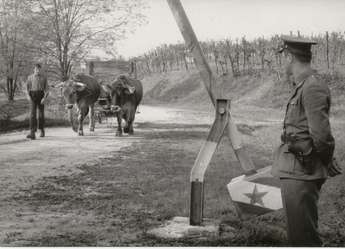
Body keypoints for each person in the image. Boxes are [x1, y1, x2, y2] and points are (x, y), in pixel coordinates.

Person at [272, 35, 341, 246]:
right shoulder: (302, 85)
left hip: (303, 172)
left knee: (303, 239)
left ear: (290, 57)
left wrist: (325, 162)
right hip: (296, 170)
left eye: (284, 58)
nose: (283, 64)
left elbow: (321, 136)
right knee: (299, 234)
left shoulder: (312, 87)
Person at [25, 63, 49, 140]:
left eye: (39, 69)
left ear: (40, 69)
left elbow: (47, 90)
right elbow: (27, 89)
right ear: (34, 69)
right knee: (32, 114)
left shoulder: (44, 78)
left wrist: (44, 98)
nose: (37, 70)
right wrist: (28, 96)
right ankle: (32, 132)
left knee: (41, 115)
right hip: (32, 96)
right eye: (36, 69)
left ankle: (41, 129)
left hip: (41, 95)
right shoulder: (30, 78)